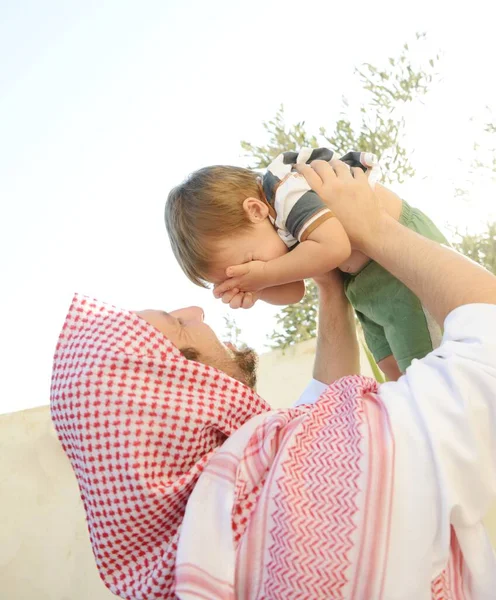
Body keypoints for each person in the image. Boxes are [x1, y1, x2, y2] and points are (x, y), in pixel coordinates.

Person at [50, 159, 496, 599]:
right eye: (176, 323)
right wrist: (373, 229)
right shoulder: (327, 483)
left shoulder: (214, 524)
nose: (197, 309)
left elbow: (319, 411)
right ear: (177, 393)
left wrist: (328, 285)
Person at [165, 148, 450, 380]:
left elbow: (334, 247)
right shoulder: (275, 232)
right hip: (364, 283)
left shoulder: (287, 190)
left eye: (248, 261)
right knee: (393, 370)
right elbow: (295, 291)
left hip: (398, 264)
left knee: (426, 369)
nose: (256, 268)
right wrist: (256, 287)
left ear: (255, 210)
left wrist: (263, 274)